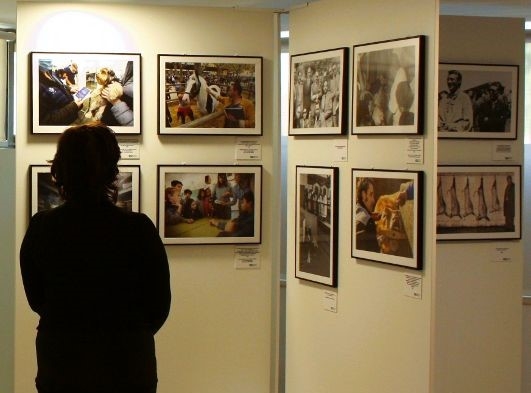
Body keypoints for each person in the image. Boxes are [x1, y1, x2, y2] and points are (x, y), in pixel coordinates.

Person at [20, 122, 171, 393]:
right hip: (127, 362)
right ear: (111, 169)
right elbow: (158, 304)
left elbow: (37, 298)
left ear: (60, 169)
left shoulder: (43, 226)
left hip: (62, 361)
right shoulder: (137, 228)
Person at [355, 177, 381, 252]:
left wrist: (371, 216)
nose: (373, 200)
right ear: (363, 195)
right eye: (371, 194)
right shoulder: (368, 222)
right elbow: (375, 253)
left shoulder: (355, 210)